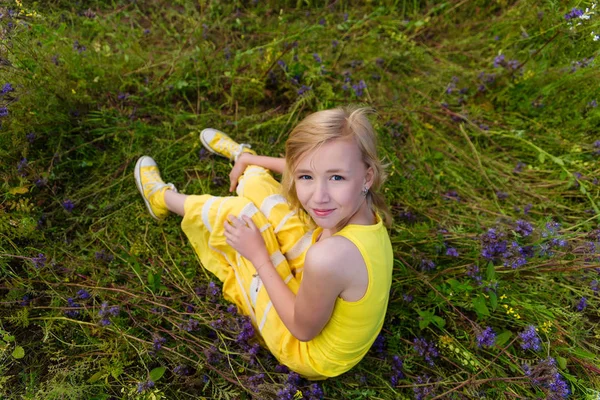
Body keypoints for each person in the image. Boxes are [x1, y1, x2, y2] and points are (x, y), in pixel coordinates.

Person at [134, 106, 393, 379]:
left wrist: (259, 256)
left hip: (310, 349)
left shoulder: (329, 257)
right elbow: (303, 169)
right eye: (307, 176)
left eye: (336, 178)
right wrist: (255, 160)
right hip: (326, 281)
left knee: (239, 217)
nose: (319, 197)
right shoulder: (361, 203)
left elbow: (301, 330)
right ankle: (246, 161)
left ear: (366, 177)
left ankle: (162, 199)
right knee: (264, 191)